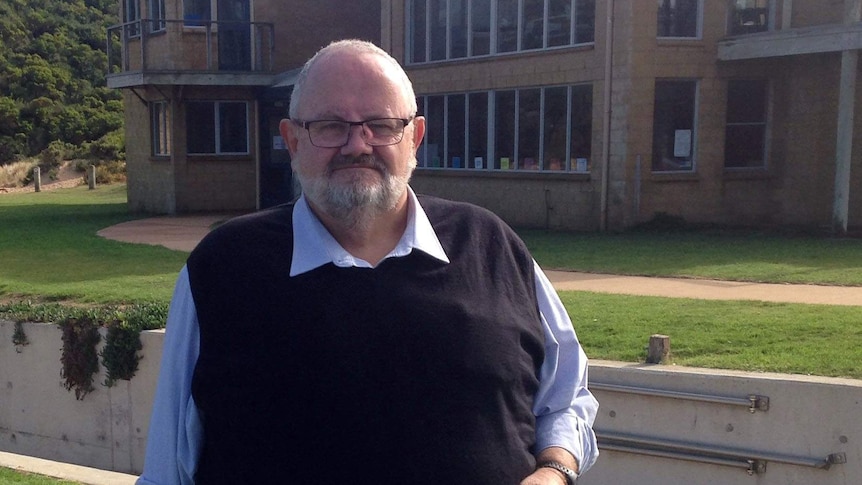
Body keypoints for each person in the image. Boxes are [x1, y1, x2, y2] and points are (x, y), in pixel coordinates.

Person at [137, 39, 598, 485]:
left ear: (414, 136)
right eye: (331, 126)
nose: (358, 144)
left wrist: (553, 471)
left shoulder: (493, 246)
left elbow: (567, 397)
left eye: (380, 124)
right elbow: (167, 466)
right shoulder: (223, 268)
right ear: (292, 140)